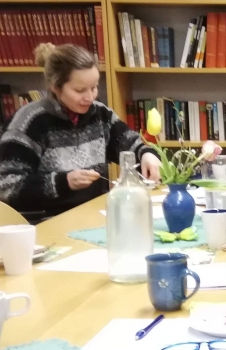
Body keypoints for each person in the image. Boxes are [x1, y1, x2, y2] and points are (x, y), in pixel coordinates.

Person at [0, 43, 160, 222]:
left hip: (93, 215)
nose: (90, 97)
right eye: (80, 90)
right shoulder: (30, 122)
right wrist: (63, 182)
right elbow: (6, 186)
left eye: (94, 87)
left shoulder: (100, 114)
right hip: (45, 222)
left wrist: (146, 154)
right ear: (56, 87)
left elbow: (129, 143)